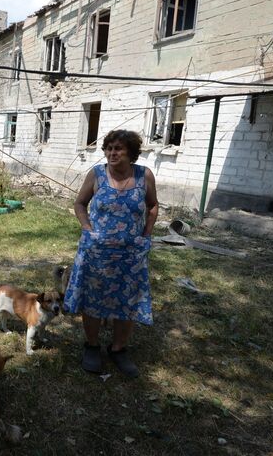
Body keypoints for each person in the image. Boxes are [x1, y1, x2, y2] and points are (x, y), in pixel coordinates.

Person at [63, 129, 158, 377]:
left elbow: (153, 206)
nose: (111, 153)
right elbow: (79, 203)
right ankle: (92, 346)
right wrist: (87, 228)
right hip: (96, 251)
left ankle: (118, 349)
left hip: (131, 254)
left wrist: (146, 235)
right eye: (108, 148)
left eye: (118, 149)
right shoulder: (96, 175)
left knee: (127, 302)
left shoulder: (144, 175)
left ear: (131, 153)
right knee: (93, 299)